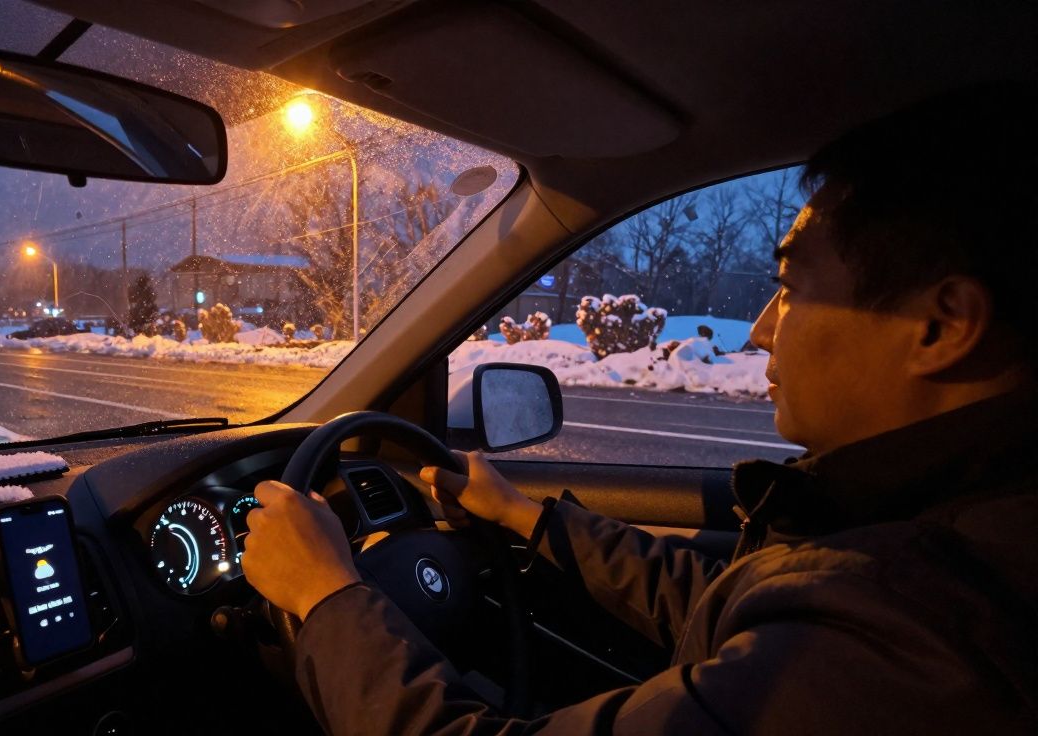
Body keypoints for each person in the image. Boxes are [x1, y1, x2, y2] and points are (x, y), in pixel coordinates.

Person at [241, 84, 1037, 734]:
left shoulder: (908, 635)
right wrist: (526, 517)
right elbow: (723, 595)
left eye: (792, 290)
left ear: (939, 327)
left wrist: (327, 598)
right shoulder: (914, 541)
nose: (760, 331)